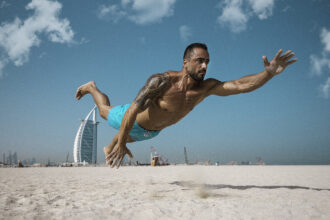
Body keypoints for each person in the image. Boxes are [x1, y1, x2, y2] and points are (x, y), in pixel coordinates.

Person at [75, 43, 297, 168]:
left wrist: (268, 74)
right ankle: (92, 87)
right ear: (185, 62)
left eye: (207, 61)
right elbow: (133, 110)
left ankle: (115, 141)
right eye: (199, 60)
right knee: (104, 112)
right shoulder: (161, 81)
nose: (204, 66)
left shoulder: (206, 88)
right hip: (132, 118)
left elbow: (239, 85)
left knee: (126, 137)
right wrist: (121, 142)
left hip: (152, 132)